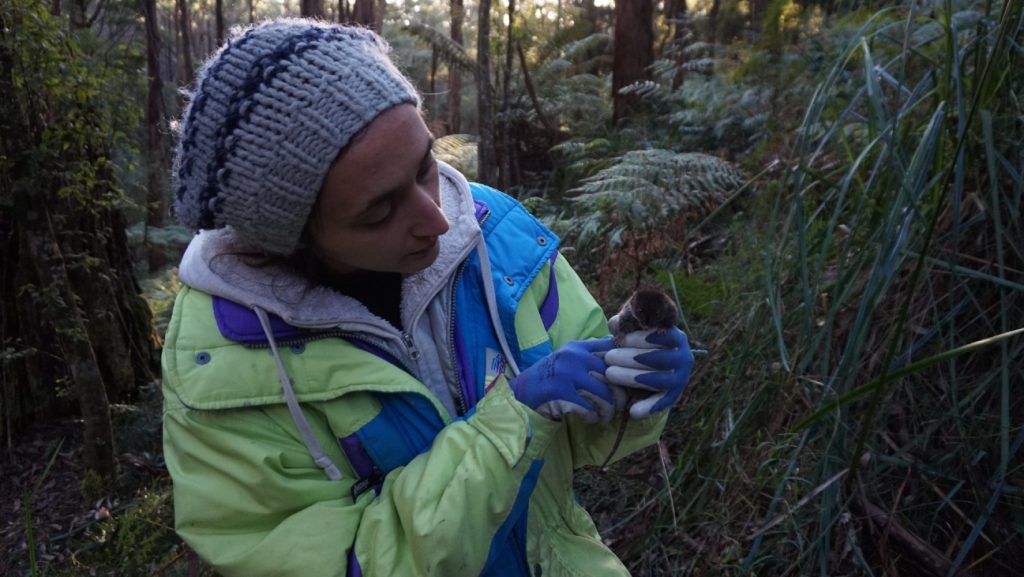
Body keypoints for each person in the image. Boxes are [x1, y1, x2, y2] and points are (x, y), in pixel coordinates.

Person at [161, 18, 693, 577]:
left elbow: (590, 437)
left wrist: (632, 388)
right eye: (380, 211)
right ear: (288, 237)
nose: (437, 220)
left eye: (426, 167)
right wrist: (510, 422)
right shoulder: (222, 366)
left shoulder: (496, 238)